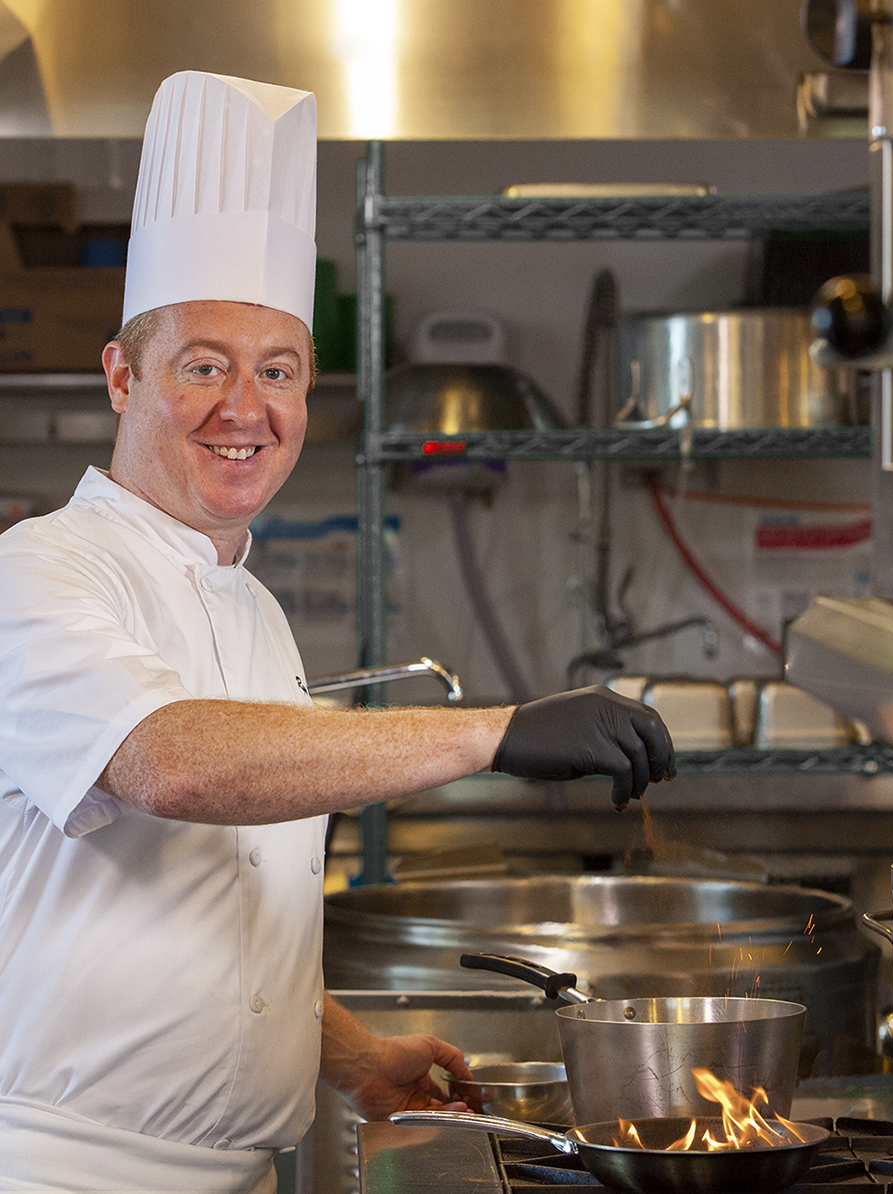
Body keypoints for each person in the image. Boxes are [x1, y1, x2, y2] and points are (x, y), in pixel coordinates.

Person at [0, 72, 674, 1193]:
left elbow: (218, 896)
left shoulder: (255, 613)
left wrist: (356, 1058)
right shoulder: (37, 572)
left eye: (278, 372)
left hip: (248, 1168)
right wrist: (490, 734)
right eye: (202, 366)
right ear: (122, 377)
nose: (244, 408)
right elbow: (165, 762)